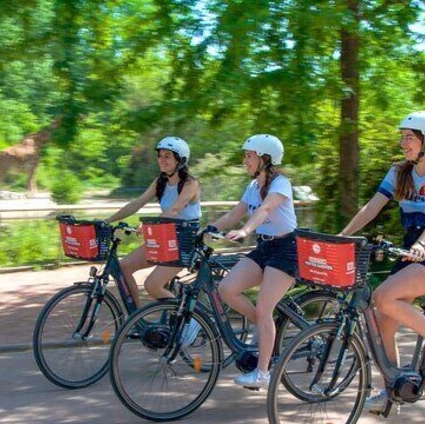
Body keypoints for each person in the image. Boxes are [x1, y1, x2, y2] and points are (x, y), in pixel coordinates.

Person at [338, 110, 425, 414]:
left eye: (409, 137)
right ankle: (391, 389)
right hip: (412, 251)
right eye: (402, 136)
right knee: (381, 327)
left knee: (382, 297)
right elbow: (372, 207)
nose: (403, 142)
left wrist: (422, 244)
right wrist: (342, 235)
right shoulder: (399, 173)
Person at [208, 134, 297, 389]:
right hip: (265, 246)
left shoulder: (281, 183)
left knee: (264, 308)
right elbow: (235, 212)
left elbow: (266, 209)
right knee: (226, 289)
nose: (245, 160)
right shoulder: (252, 187)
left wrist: (245, 231)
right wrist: (207, 229)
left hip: (286, 249)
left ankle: (262, 374)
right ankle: (265, 325)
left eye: (249, 155)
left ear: (265, 158)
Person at [104, 136, 201, 309]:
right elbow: (137, 203)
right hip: (164, 238)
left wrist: (150, 224)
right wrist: (108, 220)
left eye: (167, 156)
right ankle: (136, 320)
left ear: (180, 160)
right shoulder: (160, 181)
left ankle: (190, 323)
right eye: (160, 155)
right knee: (124, 267)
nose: (161, 160)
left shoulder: (190, 184)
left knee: (152, 285)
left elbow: (174, 210)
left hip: (183, 242)